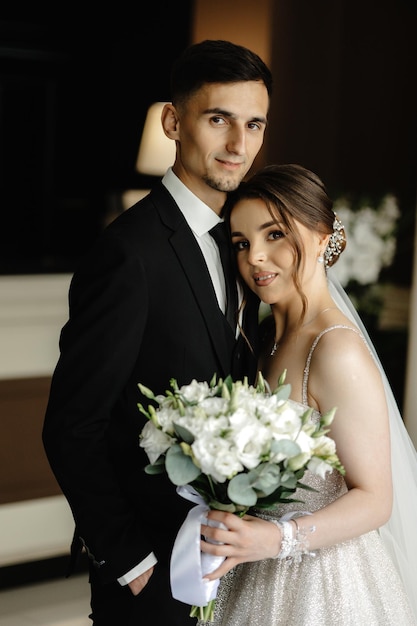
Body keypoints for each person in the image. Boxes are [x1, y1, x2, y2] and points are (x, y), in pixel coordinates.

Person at [42, 39, 272, 626]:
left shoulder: (248, 246)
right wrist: (133, 561)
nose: (238, 145)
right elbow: (73, 424)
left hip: (234, 561)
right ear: (173, 121)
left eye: (254, 124)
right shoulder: (128, 253)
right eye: (218, 119)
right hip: (153, 571)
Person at [197, 164, 417, 625]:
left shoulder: (335, 349)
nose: (255, 256)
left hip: (324, 584)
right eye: (242, 243)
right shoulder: (261, 342)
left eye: (274, 234)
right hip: (254, 572)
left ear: (322, 236)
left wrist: (276, 540)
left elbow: (376, 499)